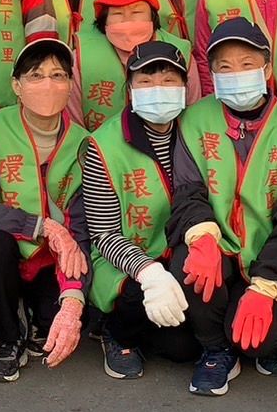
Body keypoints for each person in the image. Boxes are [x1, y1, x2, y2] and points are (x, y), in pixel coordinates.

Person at [168, 18, 277, 395]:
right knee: (189, 264)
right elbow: (188, 190)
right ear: (212, 73)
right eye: (225, 66)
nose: (237, 73)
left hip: (269, 255)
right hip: (216, 248)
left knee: (262, 342)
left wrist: (267, 285)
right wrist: (201, 235)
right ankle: (215, 350)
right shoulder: (193, 121)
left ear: (267, 67)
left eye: (247, 63)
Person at [0, 35, 90, 382]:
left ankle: (37, 314)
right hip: (4, 250)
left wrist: (73, 296)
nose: (48, 84)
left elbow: (81, 224)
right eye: (35, 76)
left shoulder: (84, 143)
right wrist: (44, 226)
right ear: (16, 86)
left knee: (59, 317)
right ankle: (9, 337)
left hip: (54, 257)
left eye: (58, 75)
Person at [82, 40, 197, 379]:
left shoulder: (198, 131)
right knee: (136, 301)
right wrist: (149, 272)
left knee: (184, 350)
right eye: (145, 82)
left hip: (183, 256)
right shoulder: (103, 144)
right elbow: (103, 233)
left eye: (168, 80)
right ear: (130, 90)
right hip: (126, 262)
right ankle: (114, 333)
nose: (157, 90)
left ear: (185, 88)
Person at [71, 0, 200, 130]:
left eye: (137, 11)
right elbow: (74, 123)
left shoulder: (179, 52)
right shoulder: (81, 58)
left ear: (152, 14)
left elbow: (194, 114)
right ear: (104, 19)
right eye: (117, 13)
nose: (128, 20)